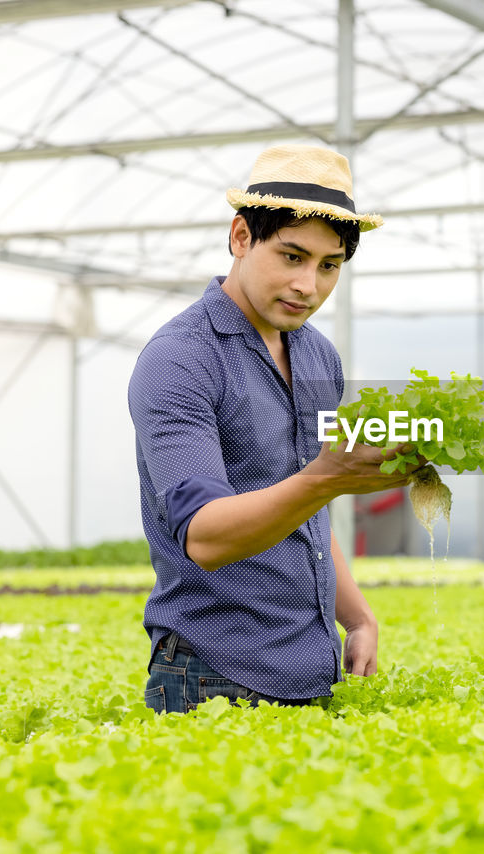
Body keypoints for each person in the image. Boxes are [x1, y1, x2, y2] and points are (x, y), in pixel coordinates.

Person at [128, 144, 416, 713]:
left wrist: (357, 617)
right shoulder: (181, 359)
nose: (309, 285)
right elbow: (206, 537)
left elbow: (306, 509)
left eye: (329, 265)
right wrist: (325, 480)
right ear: (241, 237)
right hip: (211, 676)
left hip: (313, 668)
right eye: (292, 256)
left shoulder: (318, 358)